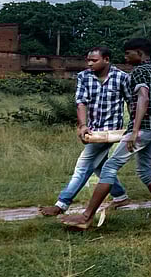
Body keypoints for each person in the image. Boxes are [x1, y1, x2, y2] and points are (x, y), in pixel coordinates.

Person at [60, 38, 151, 229]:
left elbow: (143, 99)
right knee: (145, 170)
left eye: (128, 53)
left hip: (143, 127)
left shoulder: (139, 71)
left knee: (109, 167)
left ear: (139, 53)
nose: (125, 57)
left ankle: (86, 217)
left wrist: (135, 130)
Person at [39, 47, 133, 217]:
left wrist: (134, 127)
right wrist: (83, 125)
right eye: (88, 60)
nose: (89, 64)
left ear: (106, 59)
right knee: (100, 166)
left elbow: (130, 102)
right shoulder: (84, 77)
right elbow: (81, 102)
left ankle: (62, 204)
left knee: (83, 166)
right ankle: (120, 196)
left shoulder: (122, 77)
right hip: (93, 131)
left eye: (94, 60)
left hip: (112, 131)